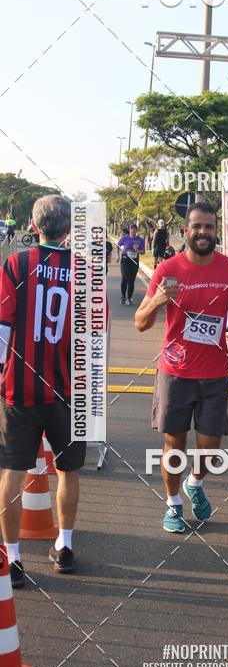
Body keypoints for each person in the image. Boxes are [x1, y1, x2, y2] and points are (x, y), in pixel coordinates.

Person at [134, 201, 228, 534]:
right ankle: (173, 503)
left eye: (209, 227)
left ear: (216, 232)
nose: (203, 232)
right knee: (174, 444)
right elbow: (141, 322)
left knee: (210, 449)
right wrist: (158, 301)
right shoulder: (167, 270)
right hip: (175, 372)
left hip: (215, 372)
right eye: (197, 226)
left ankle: (195, 483)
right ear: (185, 230)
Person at [0, 195, 88, 587]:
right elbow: (93, 337)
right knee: (68, 469)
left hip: (20, 389)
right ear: (69, 228)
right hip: (68, 391)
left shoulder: (16, 265)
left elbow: (2, 329)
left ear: (35, 226)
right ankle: (64, 545)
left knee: (13, 471)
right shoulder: (84, 271)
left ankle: (13, 558)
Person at [117, 223, 145, 305]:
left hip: (134, 261)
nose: (133, 230)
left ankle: (129, 298)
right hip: (125, 260)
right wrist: (118, 256)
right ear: (129, 230)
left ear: (136, 230)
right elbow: (117, 245)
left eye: (134, 229)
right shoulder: (125, 238)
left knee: (131, 280)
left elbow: (143, 252)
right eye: (131, 229)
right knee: (125, 278)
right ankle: (123, 296)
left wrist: (138, 251)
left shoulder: (140, 240)